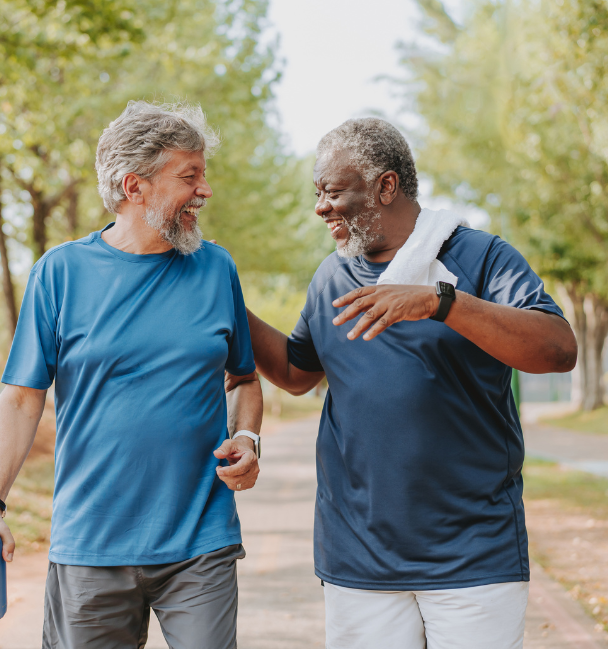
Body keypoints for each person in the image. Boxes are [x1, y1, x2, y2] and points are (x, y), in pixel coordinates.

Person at [237, 118, 577, 649]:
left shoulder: (480, 257)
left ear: (385, 186)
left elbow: (558, 349)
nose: (321, 207)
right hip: (359, 558)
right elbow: (297, 373)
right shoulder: (332, 275)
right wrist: (228, 300)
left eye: (332, 192)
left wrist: (440, 302)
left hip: (473, 556)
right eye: (317, 194)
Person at [0, 101, 263, 649]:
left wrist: (246, 436)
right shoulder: (60, 273)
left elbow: (242, 378)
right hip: (90, 546)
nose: (205, 191)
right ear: (134, 186)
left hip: (200, 542)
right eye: (189, 177)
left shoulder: (217, 269)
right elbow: (21, 400)